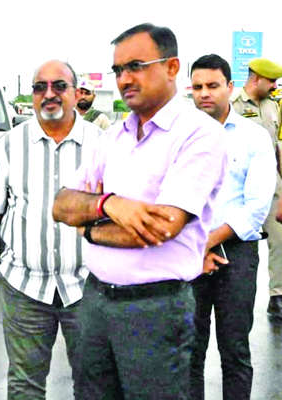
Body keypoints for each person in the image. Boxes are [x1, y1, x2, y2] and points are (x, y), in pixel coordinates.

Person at [52, 23, 227, 399]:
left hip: (155, 309)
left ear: (172, 67)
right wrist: (109, 204)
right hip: (95, 300)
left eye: (135, 66)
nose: (124, 79)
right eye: (118, 70)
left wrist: (90, 227)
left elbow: (160, 227)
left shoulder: (199, 134)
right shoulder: (113, 137)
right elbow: (62, 204)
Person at [0, 59, 102, 399]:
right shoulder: (9, 144)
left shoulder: (102, 144)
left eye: (59, 86)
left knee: (94, 383)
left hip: (87, 287)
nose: (49, 94)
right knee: (25, 384)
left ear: (76, 93)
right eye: (39, 87)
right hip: (25, 287)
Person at [189, 54, 275, 400]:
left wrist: (208, 242)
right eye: (197, 87)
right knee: (188, 352)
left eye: (212, 85)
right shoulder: (179, 137)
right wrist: (194, 246)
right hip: (187, 254)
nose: (204, 93)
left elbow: (256, 207)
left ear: (230, 86)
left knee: (235, 349)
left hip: (236, 253)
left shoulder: (254, 137)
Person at [230, 58, 282, 322]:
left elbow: (278, 147)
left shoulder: (274, 106)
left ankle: (278, 295)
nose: (274, 86)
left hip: (272, 183)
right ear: (256, 79)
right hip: (240, 184)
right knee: (238, 240)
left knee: (280, 239)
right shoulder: (232, 104)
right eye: (271, 81)